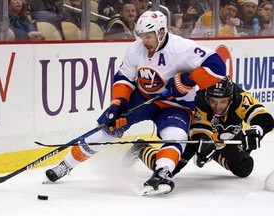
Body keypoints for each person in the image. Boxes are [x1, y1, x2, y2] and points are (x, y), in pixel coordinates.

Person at [44, 10, 226, 196]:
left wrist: (187, 80)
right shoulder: (135, 48)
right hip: (142, 98)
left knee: (176, 134)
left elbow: (218, 67)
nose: (143, 41)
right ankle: (66, 165)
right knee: (106, 129)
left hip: (175, 103)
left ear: (161, 32)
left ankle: (162, 172)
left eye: (148, 36)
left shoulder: (182, 48)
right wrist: (117, 104)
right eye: (141, 36)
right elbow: (124, 77)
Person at [125, 76, 274, 181]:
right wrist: (204, 145)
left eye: (223, 101)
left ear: (230, 97)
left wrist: (257, 130)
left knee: (244, 168)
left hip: (221, 140)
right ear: (207, 97)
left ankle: (213, 154)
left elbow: (264, 118)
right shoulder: (200, 100)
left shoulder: (240, 97)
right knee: (170, 169)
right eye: (213, 101)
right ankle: (142, 148)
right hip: (197, 139)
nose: (218, 106)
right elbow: (199, 131)